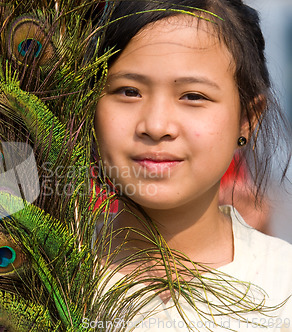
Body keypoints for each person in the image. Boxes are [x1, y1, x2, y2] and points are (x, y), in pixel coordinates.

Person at [92, 0, 292, 331]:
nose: (156, 126)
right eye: (128, 91)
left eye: (193, 96)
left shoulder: (283, 285)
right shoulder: (33, 273)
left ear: (247, 120)